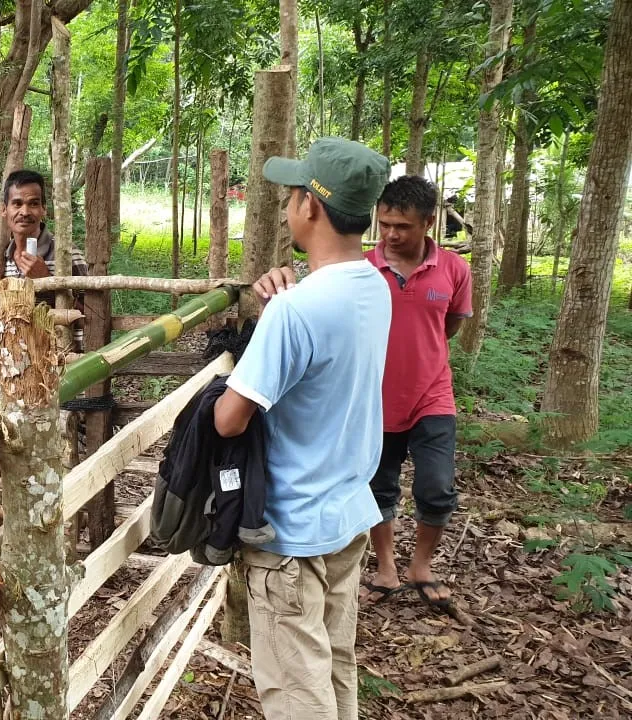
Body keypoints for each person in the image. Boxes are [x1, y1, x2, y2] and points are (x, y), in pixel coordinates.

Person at [212, 137, 392, 720]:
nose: (288, 206)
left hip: (291, 528)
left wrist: (273, 323)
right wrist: (281, 308)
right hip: (346, 512)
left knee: (295, 691)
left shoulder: (297, 310)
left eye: (292, 195)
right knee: (333, 666)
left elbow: (230, 418)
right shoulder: (375, 287)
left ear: (310, 205)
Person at [361, 176, 472, 612]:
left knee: (436, 485)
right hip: (374, 397)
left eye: (403, 226)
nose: (391, 234)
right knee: (378, 486)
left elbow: (450, 326)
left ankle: (421, 567)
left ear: (428, 223)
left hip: (432, 394)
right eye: (385, 224)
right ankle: (385, 568)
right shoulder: (362, 269)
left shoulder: (454, 270)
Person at [0, 169, 88, 294]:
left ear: (44, 209)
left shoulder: (66, 253)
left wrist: (45, 279)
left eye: (33, 204)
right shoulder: (1, 257)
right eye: (17, 204)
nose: (25, 212)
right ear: (4, 210)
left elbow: (90, 305)